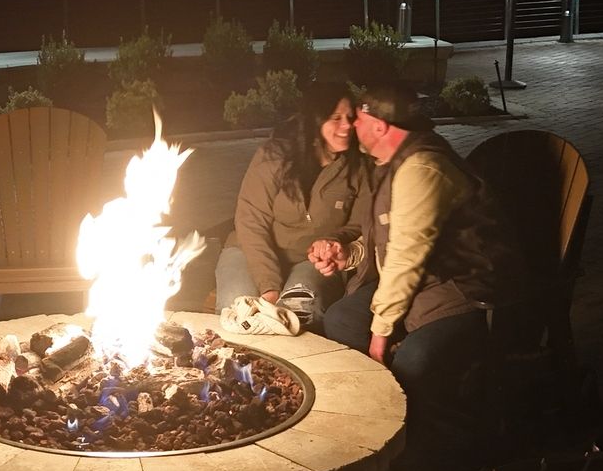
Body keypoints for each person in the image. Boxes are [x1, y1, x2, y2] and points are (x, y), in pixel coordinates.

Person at [314, 81, 509, 407]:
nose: (352, 125)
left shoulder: (420, 169)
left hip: (462, 292)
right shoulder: (389, 163)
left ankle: (422, 433)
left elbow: (406, 258)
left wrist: (380, 335)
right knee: (342, 320)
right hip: (423, 285)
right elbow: (388, 239)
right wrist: (349, 254)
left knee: (413, 364)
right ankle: (368, 406)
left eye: (358, 118)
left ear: (379, 125)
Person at [215, 83, 372, 326]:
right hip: (250, 251)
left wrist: (332, 242)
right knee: (238, 308)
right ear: (314, 121)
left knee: (299, 310)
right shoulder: (274, 156)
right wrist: (269, 287)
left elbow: (359, 224)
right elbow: (251, 221)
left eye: (350, 117)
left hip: (309, 261)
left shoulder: (358, 167)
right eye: (336, 118)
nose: (347, 125)